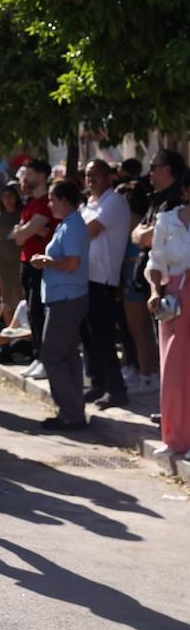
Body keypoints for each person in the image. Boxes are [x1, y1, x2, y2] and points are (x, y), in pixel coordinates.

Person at [29, 180, 91, 430]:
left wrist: (47, 261)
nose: (50, 204)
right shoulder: (69, 224)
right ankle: (73, 411)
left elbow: (72, 263)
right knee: (67, 355)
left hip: (67, 298)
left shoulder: (73, 225)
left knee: (52, 355)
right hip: (65, 296)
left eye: (53, 199)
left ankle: (70, 411)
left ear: (65, 200)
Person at [80, 159, 132, 409]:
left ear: (108, 177)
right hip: (86, 278)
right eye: (88, 175)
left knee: (103, 338)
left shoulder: (113, 201)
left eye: (96, 175)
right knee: (89, 338)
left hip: (104, 280)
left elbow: (89, 231)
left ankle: (117, 390)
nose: (91, 179)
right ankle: (98, 383)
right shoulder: (89, 203)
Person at [147, 172, 190, 459]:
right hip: (175, 296)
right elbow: (155, 261)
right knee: (173, 367)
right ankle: (173, 438)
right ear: (186, 191)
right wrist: (154, 291)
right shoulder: (167, 220)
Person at [12, 159, 55, 380]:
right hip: (26, 262)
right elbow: (18, 237)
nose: (23, 179)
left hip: (40, 265)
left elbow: (22, 233)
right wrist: (26, 230)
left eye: (27, 174)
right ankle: (38, 356)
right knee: (31, 311)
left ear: (40, 176)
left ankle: (46, 359)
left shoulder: (47, 202)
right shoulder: (29, 203)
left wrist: (26, 230)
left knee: (39, 312)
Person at [117, 182, 158, 395]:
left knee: (140, 330)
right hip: (132, 277)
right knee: (136, 330)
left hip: (136, 278)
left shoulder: (134, 222)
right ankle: (141, 371)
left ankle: (147, 375)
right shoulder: (136, 222)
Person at [0, 184, 24, 328]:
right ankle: (9, 328)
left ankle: (23, 328)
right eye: (5, 197)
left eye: (11, 197)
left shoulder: (22, 214)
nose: (8, 200)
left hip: (18, 261)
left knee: (20, 295)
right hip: (3, 262)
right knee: (5, 297)